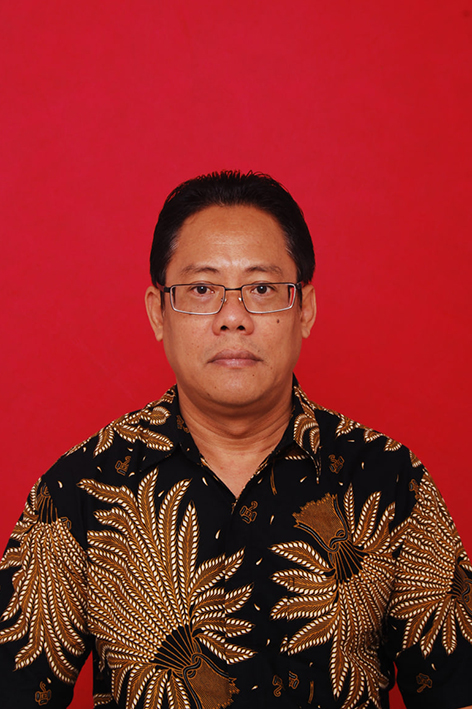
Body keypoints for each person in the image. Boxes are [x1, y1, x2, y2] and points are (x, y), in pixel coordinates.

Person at [1, 171, 471, 709]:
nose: (232, 318)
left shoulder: (390, 479)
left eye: (262, 289)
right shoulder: (79, 491)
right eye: (202, 290)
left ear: (305, 309)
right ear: (158, 312)